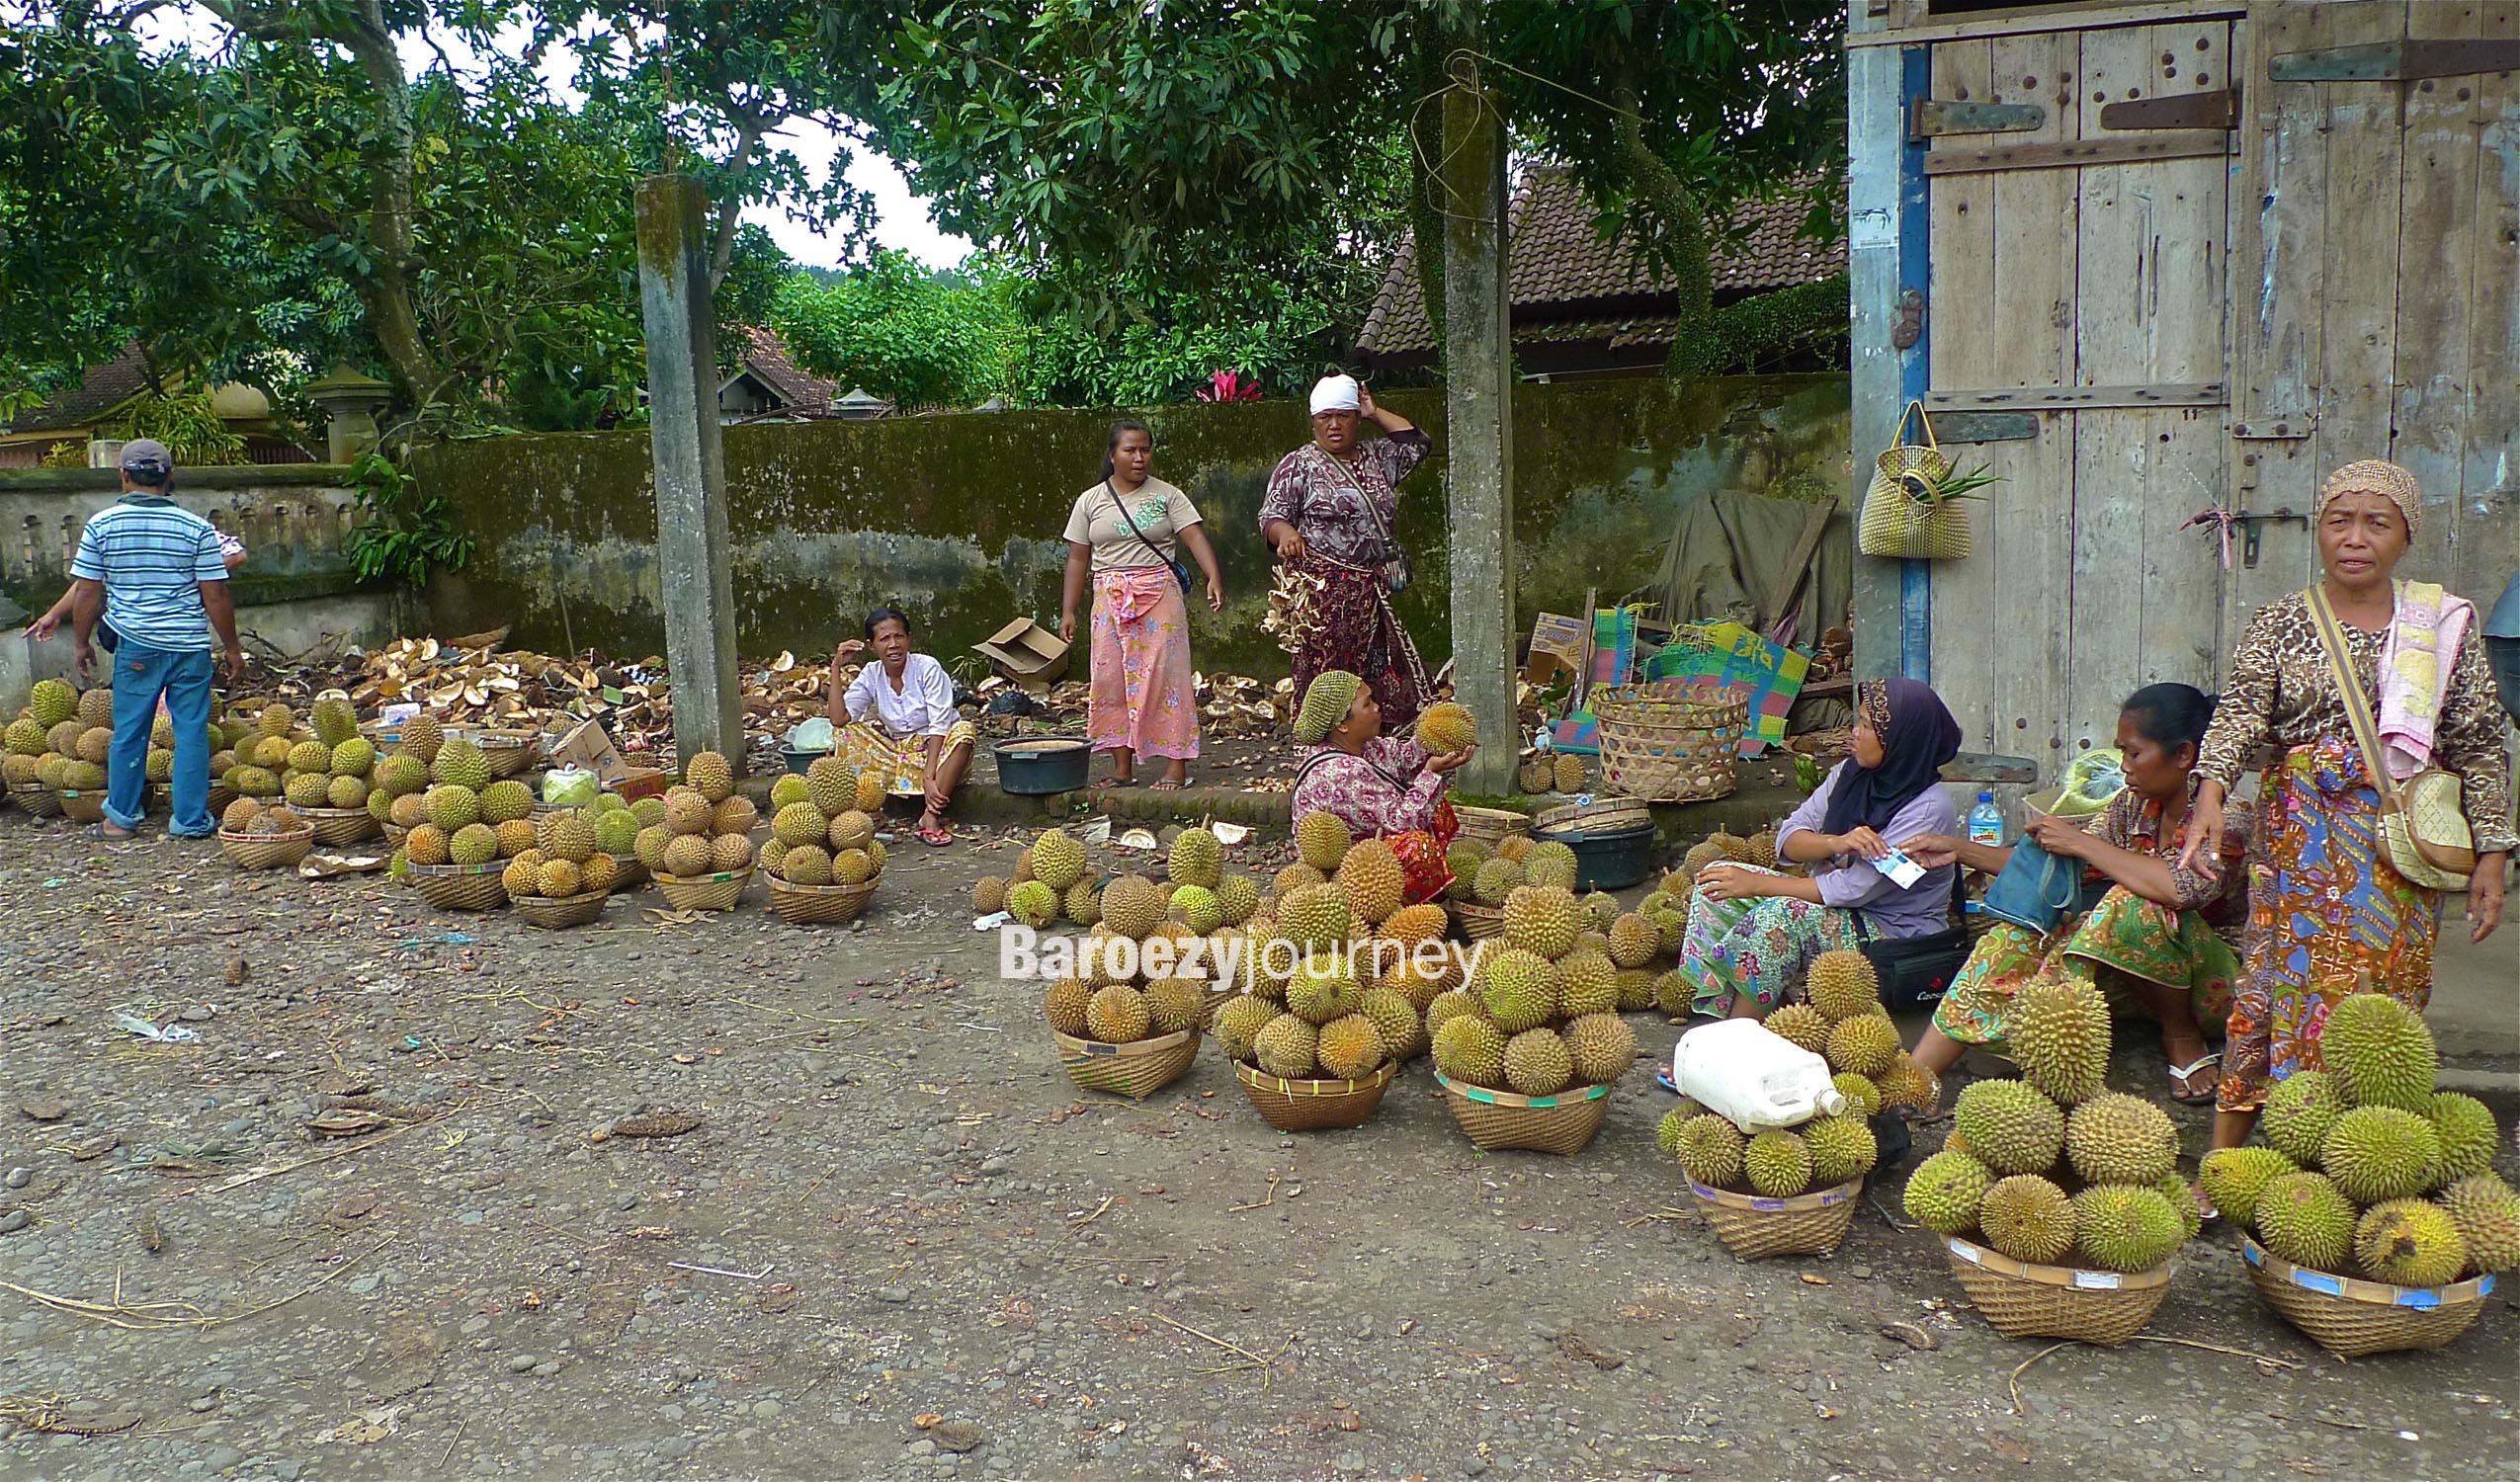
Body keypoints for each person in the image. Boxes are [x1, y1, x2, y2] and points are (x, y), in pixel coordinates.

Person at [2182, 459, 2513, 1152]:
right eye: (2340, 520)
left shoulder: (2442, 628)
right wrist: (2210, 791)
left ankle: (2361, 1154)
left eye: (2376, 522)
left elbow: (2479, 745)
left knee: (2379, 1003)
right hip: (2298, 852)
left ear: (2405, 537)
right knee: (2271, 989)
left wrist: (2493, 853)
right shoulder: (2279, 622)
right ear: (2321, 531)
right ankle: (2227, 1161)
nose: (2355, 537)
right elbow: (2240, 714)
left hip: (2398, 852)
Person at [1904, 684, 2251, 1104]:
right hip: (2135, 982)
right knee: (2013, 935)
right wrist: (1958, 850)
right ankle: (1914, 1081)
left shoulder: (2228, 817)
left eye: (2134, 753)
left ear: (2183, 755)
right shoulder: (2133, 805)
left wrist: (2081, 842)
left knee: (2130, 903)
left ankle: (2182, 1036)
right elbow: (2060, 865)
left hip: (2213, 988)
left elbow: (2181, 889)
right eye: (2121, 752)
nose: (2124, 767)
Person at [1678, 677, 1963, 1019]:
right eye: (1858, 720)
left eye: (1867, 726)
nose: (1854, 732)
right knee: (1715, 882)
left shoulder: (1928, 808)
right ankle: (1720, 1015)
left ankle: (1734, 1045)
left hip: (1891, 933)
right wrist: (1835, 842)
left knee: (1779, 915)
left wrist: (1759, 885)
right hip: (1835, 910)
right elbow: (1790, 837)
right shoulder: (1850, 774)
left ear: (1900, 740)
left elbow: (1855, 888)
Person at [62, 440, 245, 840]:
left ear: (124, 475)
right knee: (192, 730)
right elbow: (215, 593)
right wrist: (231, 649)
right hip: (189, 644)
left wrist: (80, 642)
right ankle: (190, 821)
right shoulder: (196, 527)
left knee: (130, 730)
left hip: (136, 642)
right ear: (169, 477)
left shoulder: (102, 525)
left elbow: (88, 591)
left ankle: (121, 819)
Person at [1259, 373, 1433, 736]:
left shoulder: (1377, 456)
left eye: (1344, 415)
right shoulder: (1299, 465)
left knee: (1380, 670)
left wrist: (1374, 411)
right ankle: (1323, 747)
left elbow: (1417, 443)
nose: (1334, 425)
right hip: (1326, 595)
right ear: (1313, 421)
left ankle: (1381, 742)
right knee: (1328, 674)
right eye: (1325, 417)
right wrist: (1286, 532)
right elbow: (1271, 516)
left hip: (1374, 589)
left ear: (1355, 417)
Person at [1057, 419, 1224, 790]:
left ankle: (1175, 767)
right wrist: (1068, 611)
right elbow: (1078, 559)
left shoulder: (1168, 496)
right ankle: (1121, 767)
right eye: (1130, 450)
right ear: (1112, 455)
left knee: (1168, 677)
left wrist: (1213, 576)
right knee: (1110, 679)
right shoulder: (1090, 501)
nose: (1139, 458)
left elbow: (1193, 536)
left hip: (1159, 595)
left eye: (1145, 450)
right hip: (1109, 598)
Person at [1287, 669, 1473, 905]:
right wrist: (1433, 772)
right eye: (1367, 704)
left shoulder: (1364, 746)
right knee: (1419, 849)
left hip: (1371, 849)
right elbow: (1403, 823)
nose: (1377, 707)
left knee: (1434, 803)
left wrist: (1436, 728)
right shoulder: (1341, 772)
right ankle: (1399, 907)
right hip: (1347, 876)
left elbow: (1404, 758)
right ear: (1342, 724)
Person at [825, 606, 977, 847]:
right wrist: (835, 668)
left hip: (939, 756)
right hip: (900, 756)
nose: (893, 644)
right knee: (845, 733)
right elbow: (839, 719)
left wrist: (929, 777)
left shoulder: (927, 667)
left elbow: (940, 723)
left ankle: (930, 816)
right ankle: (865, 814)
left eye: (899, 636)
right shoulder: (871, 674)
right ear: (873, 646)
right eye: (884, 639)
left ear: (909, 640)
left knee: (965, 731)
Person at [28, 529, 246, 643]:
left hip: (165, 633)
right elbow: (86, 585)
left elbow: (236, 555)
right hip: (154, 635)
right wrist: (54, 614)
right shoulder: (121, 534)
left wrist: (191, 580)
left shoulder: (187, 528)